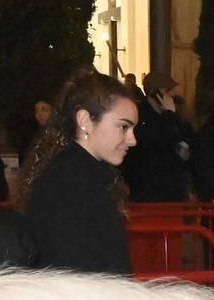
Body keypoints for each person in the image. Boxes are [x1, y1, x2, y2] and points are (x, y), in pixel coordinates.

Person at [21, 69, 136, 273]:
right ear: (85, 121)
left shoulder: (79, 175)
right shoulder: (71, 182)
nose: (132, 140)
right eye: (123, 127)